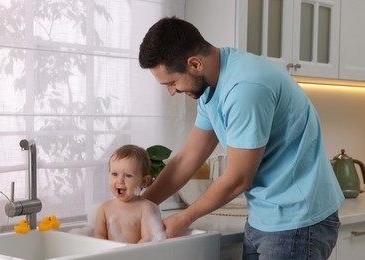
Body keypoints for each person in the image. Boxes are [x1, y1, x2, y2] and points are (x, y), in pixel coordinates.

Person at [138, 16, 344, 259]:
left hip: (297, 222)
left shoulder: (246, 88)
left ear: (194, 64)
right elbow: (188, 157)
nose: (172, 92)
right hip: (264, 217)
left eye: (171, 83)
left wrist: (184, 217)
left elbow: (238, 178)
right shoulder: (210, 85)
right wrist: (140, 206)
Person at [94, 144, 166, 243]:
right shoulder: (104, 208)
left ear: (144, 181)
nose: (120, 181)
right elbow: (98, 236)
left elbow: (148, 238)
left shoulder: (145, 208)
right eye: (114, 174)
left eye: (128, 175)